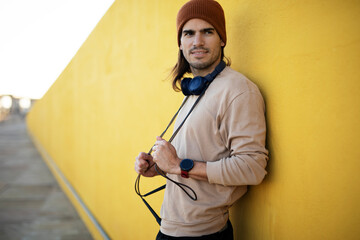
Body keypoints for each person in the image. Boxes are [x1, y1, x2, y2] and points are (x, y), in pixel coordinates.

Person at [135, 0, 268, 239]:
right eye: (189, 33)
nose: (197, 41)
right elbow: (201, 156)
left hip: (204, 234)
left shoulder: (238, 91)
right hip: (170, 229)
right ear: (180, 43)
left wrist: (178, 165)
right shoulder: (196, 91)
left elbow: (253, 167)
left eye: (208, 31)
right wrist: (161, 168)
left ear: (222, 39)